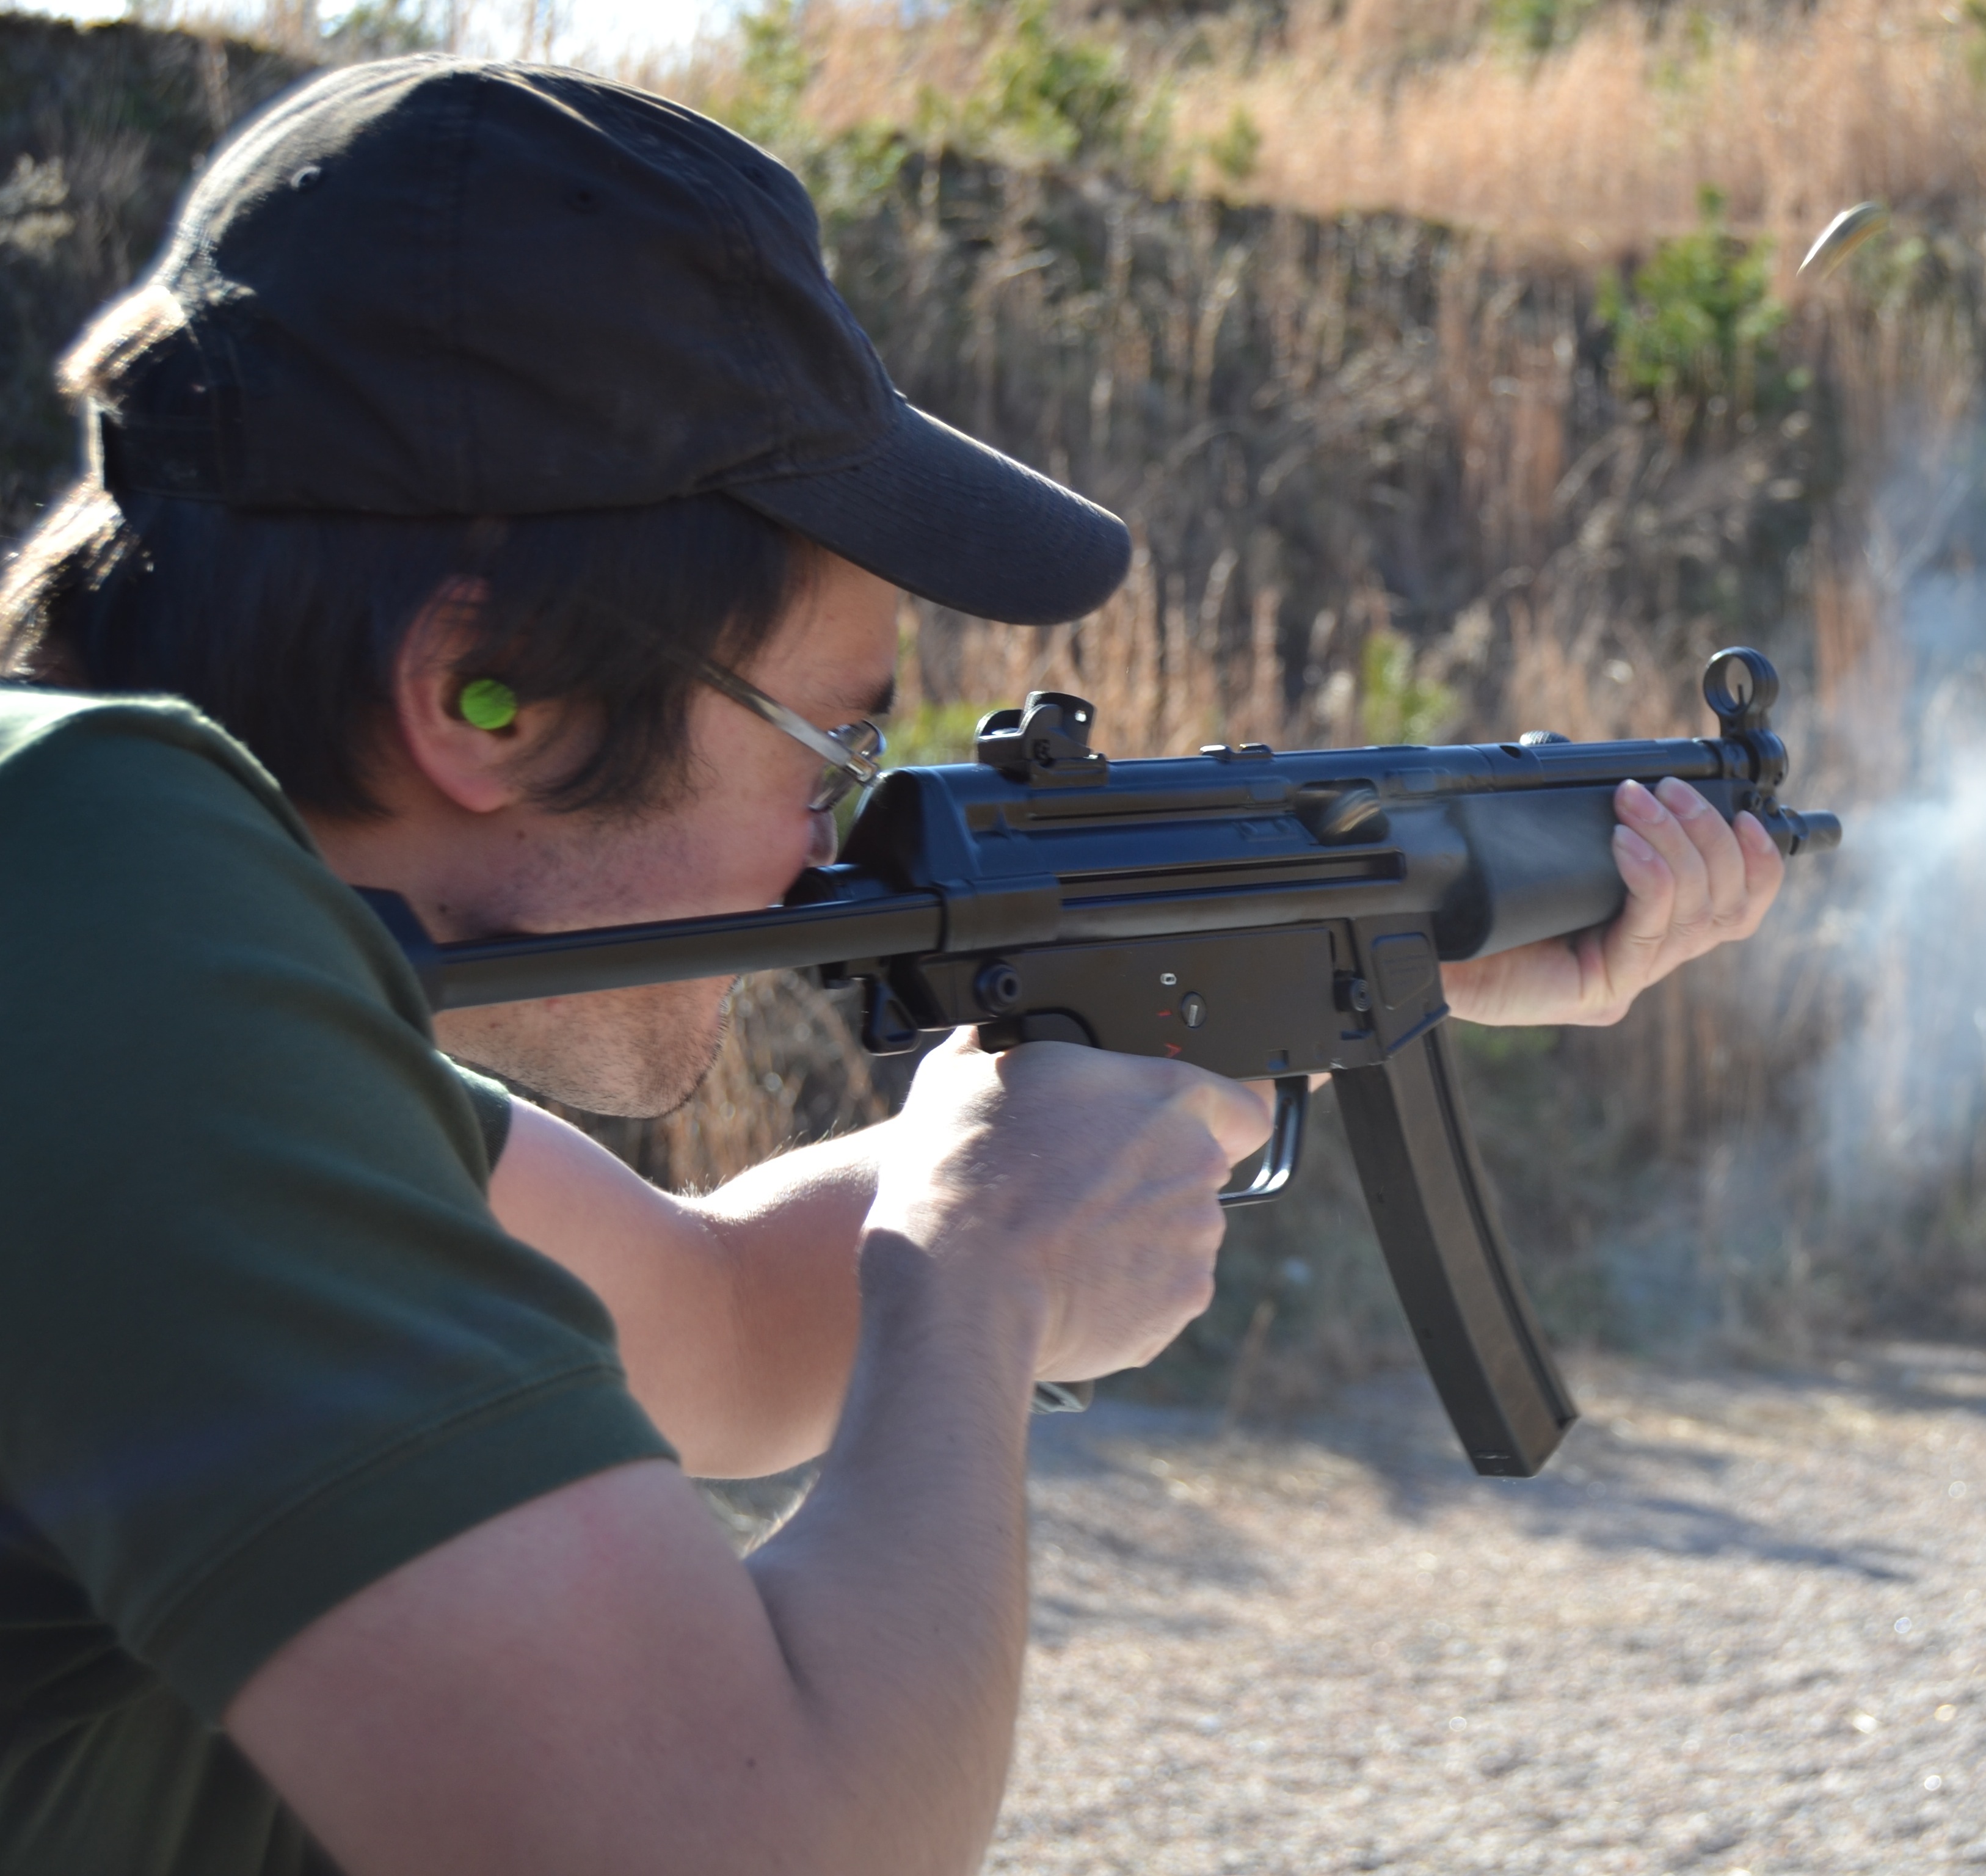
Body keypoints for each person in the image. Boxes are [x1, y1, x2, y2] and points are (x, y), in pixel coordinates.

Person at [0, 55, 1787, 1876]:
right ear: (493, 695)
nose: (836, 829)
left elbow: (705, 1327)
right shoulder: (98, 907)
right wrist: (987, 1275)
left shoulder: (135, 950)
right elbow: (739, 1845)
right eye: (832, 745)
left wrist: (1335, 979)